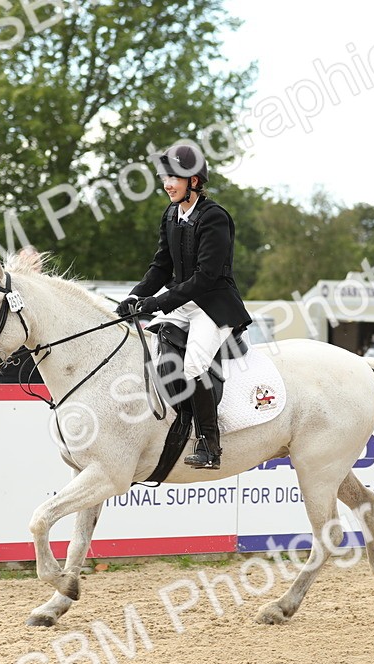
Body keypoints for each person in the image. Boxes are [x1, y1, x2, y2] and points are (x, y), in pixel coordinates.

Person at [115, 143, 252, 469]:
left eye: (173, 177)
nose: (167, 184)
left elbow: (205, 277)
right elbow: (161, 266)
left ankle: (210, 445)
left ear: (193, 180)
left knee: (193, 366)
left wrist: (158, 302)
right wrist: (136, 296)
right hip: (183, 302)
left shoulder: (215, 217)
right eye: (164, 177)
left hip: (213, 305)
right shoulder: (171, 214)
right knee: (153, 348)